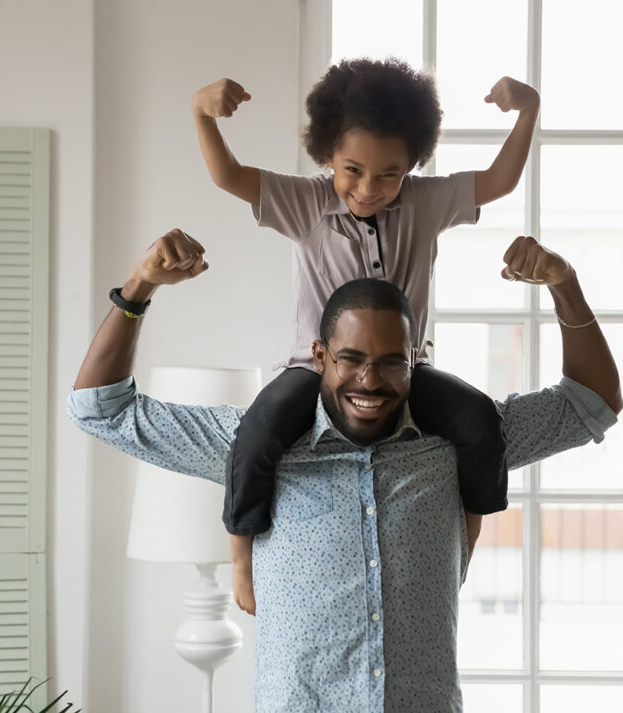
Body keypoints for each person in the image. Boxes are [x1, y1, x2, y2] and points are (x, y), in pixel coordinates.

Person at [68, 227, 622, 712]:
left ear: (416, 360)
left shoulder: (458, 444)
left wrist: (564, 283)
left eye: (390, 363)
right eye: (351, 359)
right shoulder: (254, 445)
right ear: (318, 357)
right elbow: (101, 408)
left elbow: (592, 402)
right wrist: (139, 287)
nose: (369, 381)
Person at [192, 58, 542, 614]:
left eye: (389, 174)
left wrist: (528, 113)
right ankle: (240, 555)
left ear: (412, 165)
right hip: (317, 372)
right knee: (257, 430)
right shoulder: (306, 204)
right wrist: (203, 116)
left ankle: (466, 544)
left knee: (479, 420)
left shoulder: (425, 204)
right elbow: (228, 176)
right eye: (352, 170)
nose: (369, 188)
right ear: (327, 153)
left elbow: (499, 181)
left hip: (408, 371)